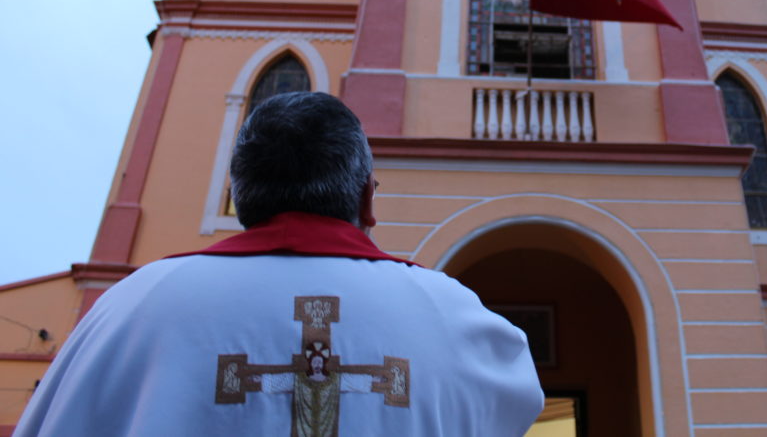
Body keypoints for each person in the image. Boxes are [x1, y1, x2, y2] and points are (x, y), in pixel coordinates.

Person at [16, 92, 543, 436]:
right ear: (367, 199)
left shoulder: (135, 305)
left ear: (239, 196)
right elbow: (514, 408)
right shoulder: (451, 315)